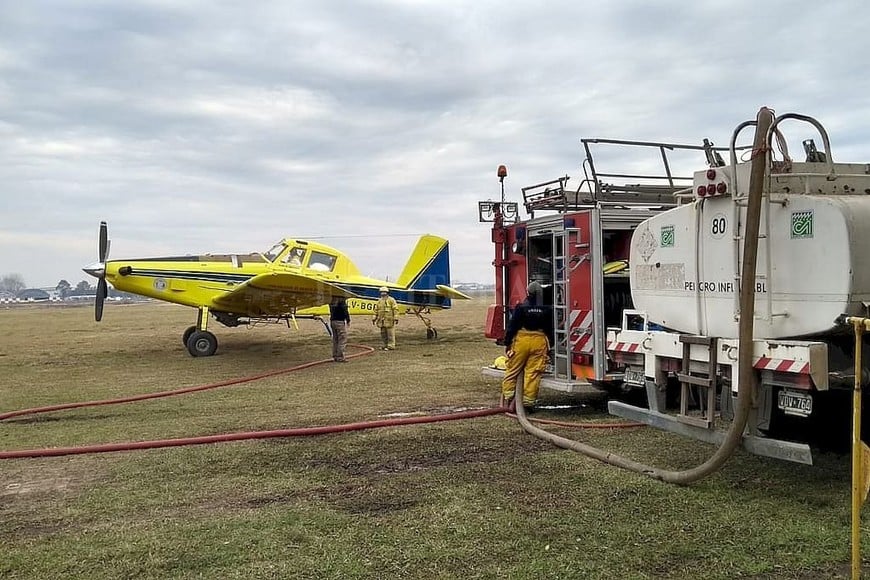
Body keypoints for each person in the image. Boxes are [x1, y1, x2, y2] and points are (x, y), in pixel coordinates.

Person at [501, 281, 553, 411]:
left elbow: (512, 326)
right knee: (533, 373)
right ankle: (528, 404)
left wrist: (507, 343)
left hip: (521, 341)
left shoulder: (521, 308)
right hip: (539, 341)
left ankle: (510, 399)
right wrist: (550, 345)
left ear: (528, 292)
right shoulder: (547, 309)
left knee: (512, 370)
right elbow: (550, 329)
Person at [372, 286, 399, 350]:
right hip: (381, 320)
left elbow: (395, 309)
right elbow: (376, 310)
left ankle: (391, 346)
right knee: (383, 334)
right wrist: (374, 318)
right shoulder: (379, 301)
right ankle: (384, 345)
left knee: (390, 334)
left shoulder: (391, 300)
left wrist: (396, 318)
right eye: (381, 292)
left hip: (389, 320)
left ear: (387, 292)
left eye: (384, 292)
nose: (382, 293)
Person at [329, 296, 351, 362]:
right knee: (342, 338)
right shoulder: (342, 301)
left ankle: (335, 355)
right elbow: (345, 311)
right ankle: (340, 356)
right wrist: (348, 320)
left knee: (335, 339)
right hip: (340, 322)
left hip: (333, 321)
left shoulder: (332, 301)